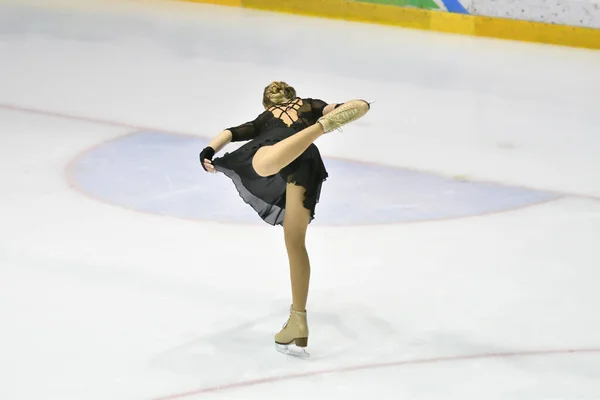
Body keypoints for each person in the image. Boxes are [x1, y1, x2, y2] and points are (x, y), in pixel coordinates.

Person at [198, 81, 369, 352]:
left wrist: (208, 152)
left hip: (278, 151)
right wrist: (349, 107)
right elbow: (340, 108)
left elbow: (230, 133)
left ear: (267, 105)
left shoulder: (264, 118)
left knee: (263, 163)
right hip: (307, 162)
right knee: (295, 242)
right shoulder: (308, 105)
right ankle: (297, 320)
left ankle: (317, 130)